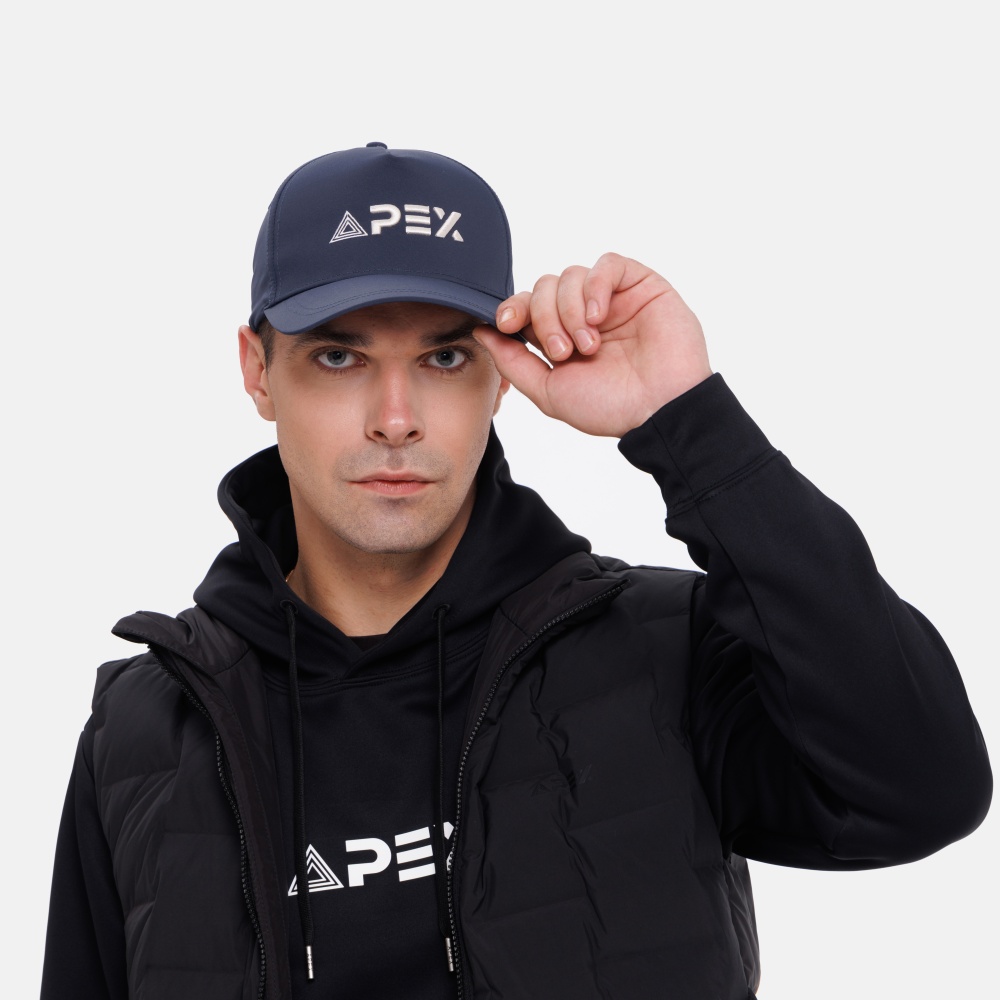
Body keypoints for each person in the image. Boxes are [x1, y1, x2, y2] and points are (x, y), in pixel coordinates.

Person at [40, 142, 991, 1000]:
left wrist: (690, 423)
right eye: (338, 357)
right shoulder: (146, 730)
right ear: (257, 371)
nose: (396, 418)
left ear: (501, 374)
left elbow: (920, 791)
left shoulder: (665, 655)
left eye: (445, 357)